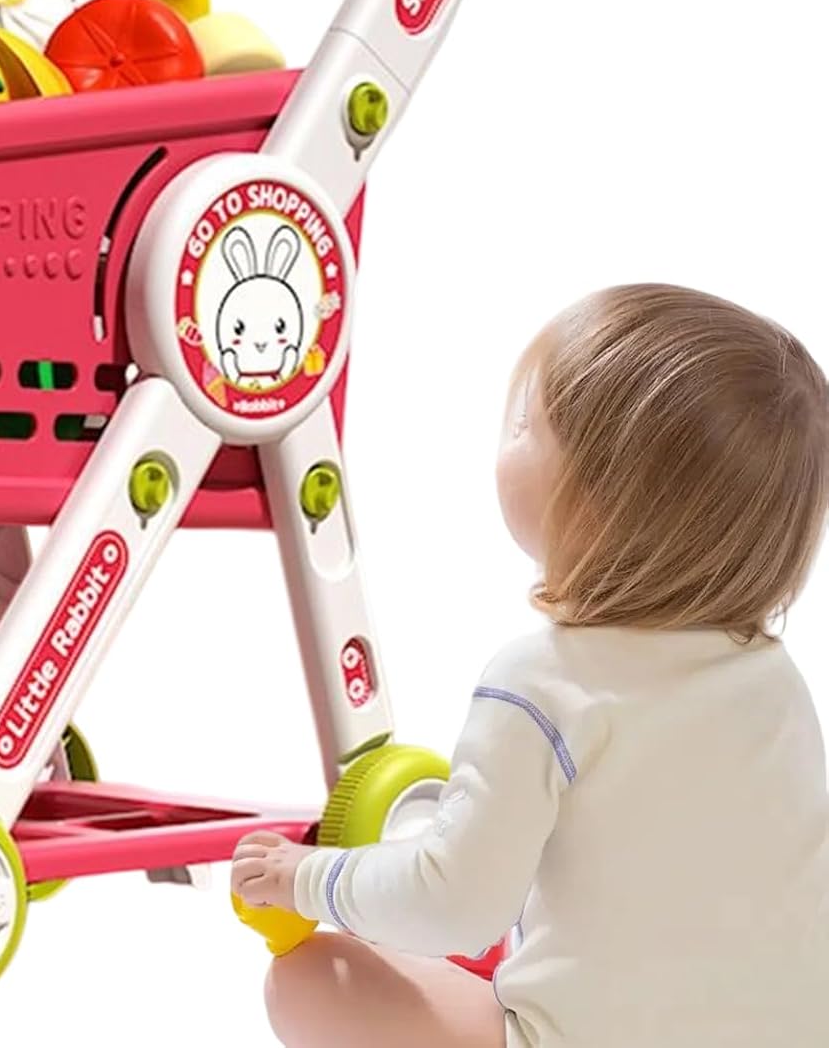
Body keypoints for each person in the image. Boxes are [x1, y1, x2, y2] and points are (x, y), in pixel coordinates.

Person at [232, 283, 829, 1047]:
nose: (505, 435)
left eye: (525, 424)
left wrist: (304, 877)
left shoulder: (541, 682)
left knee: (309, 977)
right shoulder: (774, 681)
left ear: (594, 501)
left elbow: (453, 907)